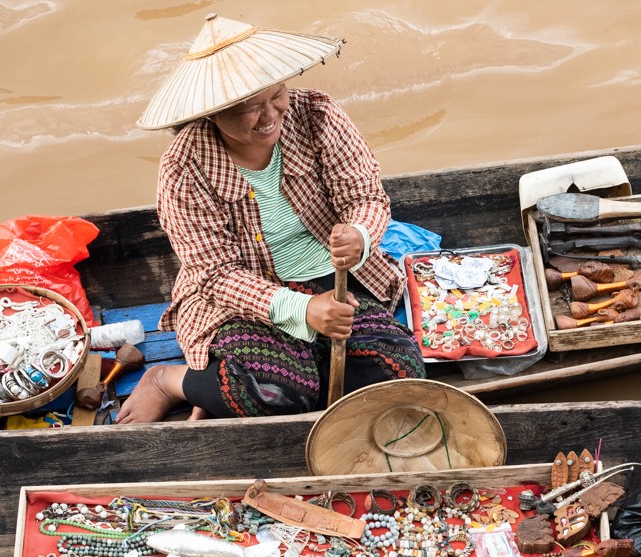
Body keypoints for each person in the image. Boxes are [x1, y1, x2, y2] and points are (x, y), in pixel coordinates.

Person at [117, 14, 424, 422]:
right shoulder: (183, 168)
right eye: (249, 108)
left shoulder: (318, 116)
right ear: (213, 113)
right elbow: (215, 274)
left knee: (398, 375)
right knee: (275, 394)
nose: (270, 115)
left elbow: (367, 197)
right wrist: (304, 309)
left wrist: (360, 234)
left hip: (333, 281)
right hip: (244, 299)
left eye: (276, 95)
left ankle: (227, 385)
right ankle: (168, 380)